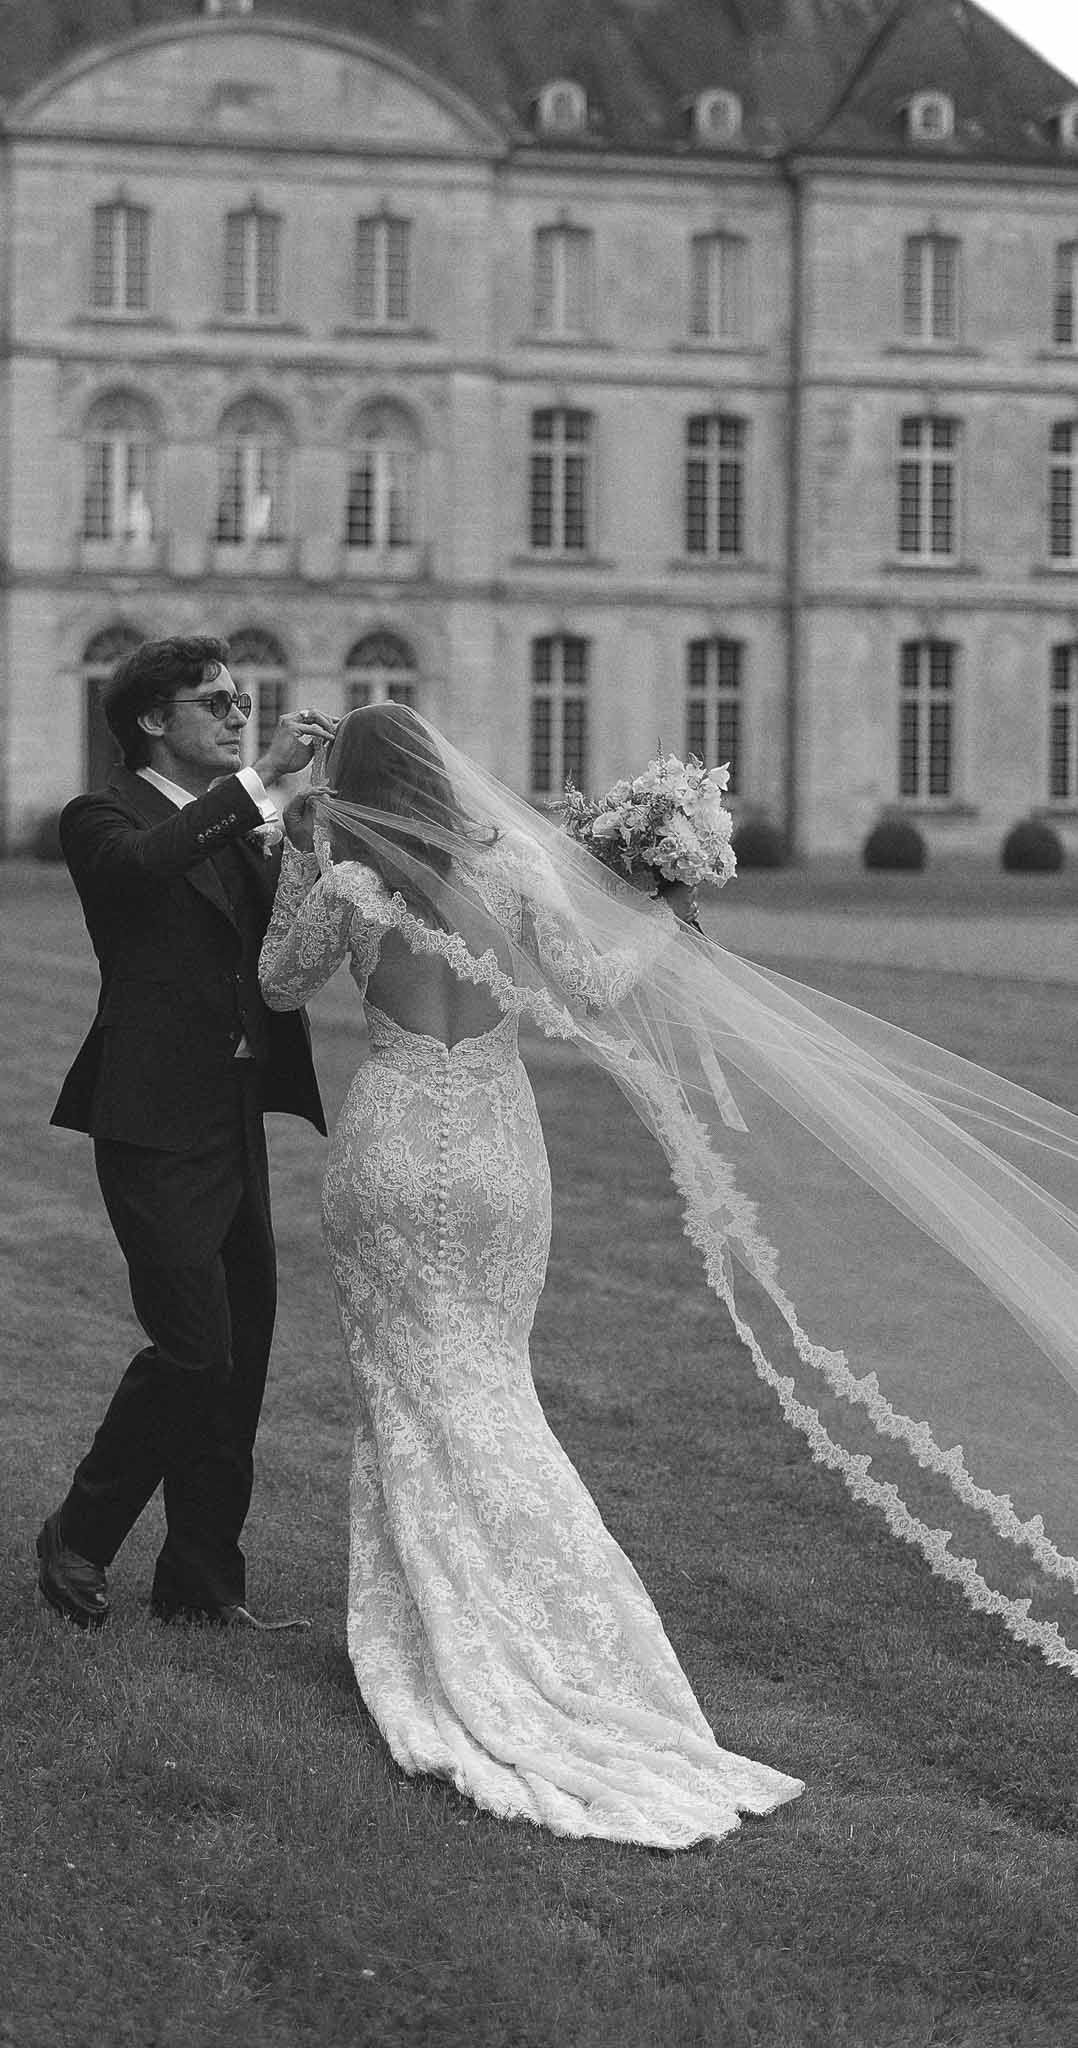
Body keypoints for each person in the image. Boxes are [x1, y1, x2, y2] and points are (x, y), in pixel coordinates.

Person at [257, 703, 1078, 1847]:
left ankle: (439, 1625)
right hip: (496, 1142)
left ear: (353, 783)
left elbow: (278, 983)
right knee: (491, 1380)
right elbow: (594, 981)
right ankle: (548, 1625)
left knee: (406, 1384)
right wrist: (663, 904)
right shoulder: (512, 869)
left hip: (390, 1138)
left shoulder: (345, 879)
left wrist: (299, 843)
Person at [38, 635, 332, 1632]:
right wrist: (258, 787)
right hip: (152, 1121)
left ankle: (202, 1575)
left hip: (234, 1113)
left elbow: (281, 950)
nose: (238, 713)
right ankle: (78, 1530)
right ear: (153, 721)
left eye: (242, 699)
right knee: (193, 1348)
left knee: (239, 1355)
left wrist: (308, 838)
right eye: (214, 701)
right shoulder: (100, 816)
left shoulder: (240, 821)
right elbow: (142, 870)